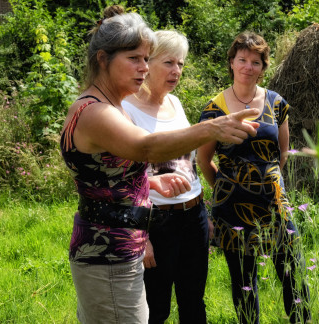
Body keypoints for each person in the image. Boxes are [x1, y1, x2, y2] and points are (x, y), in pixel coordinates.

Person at [60, 6, 259, 323]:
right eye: (134, 58)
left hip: (118, 247)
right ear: (102, 59)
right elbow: (146, 148)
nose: (143, 67)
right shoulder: (96, 112)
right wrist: (211, 128)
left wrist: (150, 183)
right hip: (109, 253)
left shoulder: (105, 105)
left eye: (145, 58)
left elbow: (102, 174)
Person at [197, 31, 311, 324]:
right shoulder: (214, 109)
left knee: (292, 272)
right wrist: (227, 187)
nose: (249, 66)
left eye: (256, 62)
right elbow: (204, 160)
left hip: (275, 203)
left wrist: (269, 183)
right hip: (232, 206)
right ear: (232, 63)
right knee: (244, 281)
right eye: (243, 60)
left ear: (263, 66)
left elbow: (282, 153)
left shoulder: (276, 103)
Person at [121, 30, 209, 324]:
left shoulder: (175, 102)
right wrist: (141, 236)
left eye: (181, 64)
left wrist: (201, 211)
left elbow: (189, 164)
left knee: (194, 299)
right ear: (148, 63)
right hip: (156, 221)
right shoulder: (126, 110)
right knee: (155, 307)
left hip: (193, 214)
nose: (176, 71)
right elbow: (125, 177)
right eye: (169, 62)